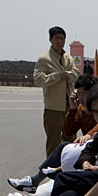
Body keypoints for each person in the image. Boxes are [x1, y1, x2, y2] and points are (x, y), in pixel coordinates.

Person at [9, 73, 98, 192]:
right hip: (88, 147)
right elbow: (68, 131)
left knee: (63, 147)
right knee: (64, 148)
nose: (80, 97)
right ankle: (38, 180)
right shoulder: (81, 109)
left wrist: (89, 134)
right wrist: (72, 109)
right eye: (78, 93)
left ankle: (36, 180)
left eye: (84, 93)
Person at [33, 26, 80, 157]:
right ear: (50, 39)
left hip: (69, 105)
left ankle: (69, 165)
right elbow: (38, 79)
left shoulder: (68, 59)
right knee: (53, 141)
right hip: (53, 107)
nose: (60, 41)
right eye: (57, 38)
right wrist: (57, 76)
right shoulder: (44, 59)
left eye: (62, 38)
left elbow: (76, 74)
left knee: (70, 139)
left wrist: (66, 75)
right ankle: (51, 167)